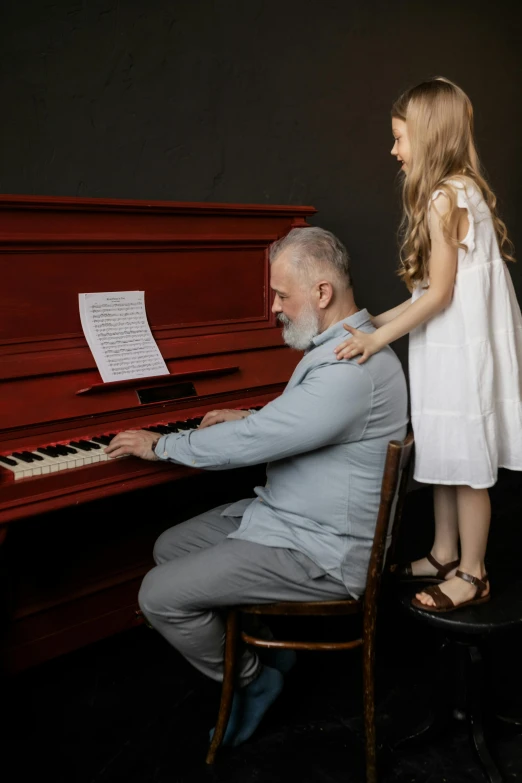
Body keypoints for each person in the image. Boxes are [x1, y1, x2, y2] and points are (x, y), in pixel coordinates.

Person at [105, 226, 407, 746]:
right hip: (291, 517)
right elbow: (304, 419)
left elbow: (260, 441)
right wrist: (249, 414)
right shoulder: (344, 346)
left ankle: (254, 679)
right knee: (168, 546)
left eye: (281, 294)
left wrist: (161, 446)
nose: (273, 307)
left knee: (156, 595)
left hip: (321, 550)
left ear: (321, 293)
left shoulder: (350, 368)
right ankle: (271, 646)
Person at [335, 77, 522, 613]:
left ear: (430, 137)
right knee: (443, 449)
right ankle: (443, 552)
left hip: (460, 353)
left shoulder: (447, 198)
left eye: (400, 138)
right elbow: (425, 292)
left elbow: (438, 296)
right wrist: (368, 319)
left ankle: (473, 572)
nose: (393, 150)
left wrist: (376, 340)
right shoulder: (462, 189)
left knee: (467, 463)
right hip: (447, 349)